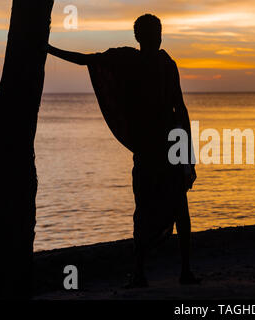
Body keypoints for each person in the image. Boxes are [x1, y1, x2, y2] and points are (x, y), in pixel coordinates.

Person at [47, 14, 199, 287]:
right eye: (152, 33)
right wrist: (48, 49)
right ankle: (142, 272)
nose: (157, 38)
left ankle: (183, 271)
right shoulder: (128, 60)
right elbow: (87, 60)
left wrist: (189, 154)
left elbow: (181, 108)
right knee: (145, 209)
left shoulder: (166, 64)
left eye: (159, 32)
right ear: (140, 37)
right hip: (148, 148)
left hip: (168, 147)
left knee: (178, 208)